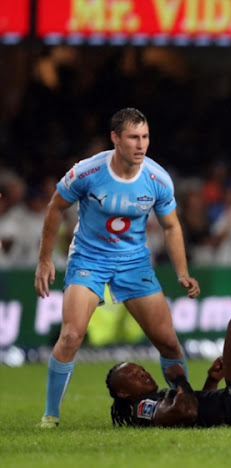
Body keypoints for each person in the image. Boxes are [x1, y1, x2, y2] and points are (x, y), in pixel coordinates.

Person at [34, 108, 201, 428]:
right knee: (70, 335)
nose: (141, 145)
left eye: (145, 137)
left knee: (168, 342)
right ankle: (50, 415)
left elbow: (171, 227)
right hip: (88, 260)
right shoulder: (87, 172)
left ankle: (187, 405)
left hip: (133, 262)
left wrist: (182, 272)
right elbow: (55, 207)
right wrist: (44, 259)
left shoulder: (157, 178)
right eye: (133, 137)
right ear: (115, 139)